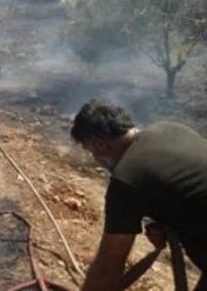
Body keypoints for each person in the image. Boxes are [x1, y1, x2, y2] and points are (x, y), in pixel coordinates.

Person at [70, 99, 207, 290]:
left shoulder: (126, 178)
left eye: (90, 150)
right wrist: (166, 218)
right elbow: (190, 188)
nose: (94, 158)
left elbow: (108, 266)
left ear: (98, 144)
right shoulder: (169, 128)